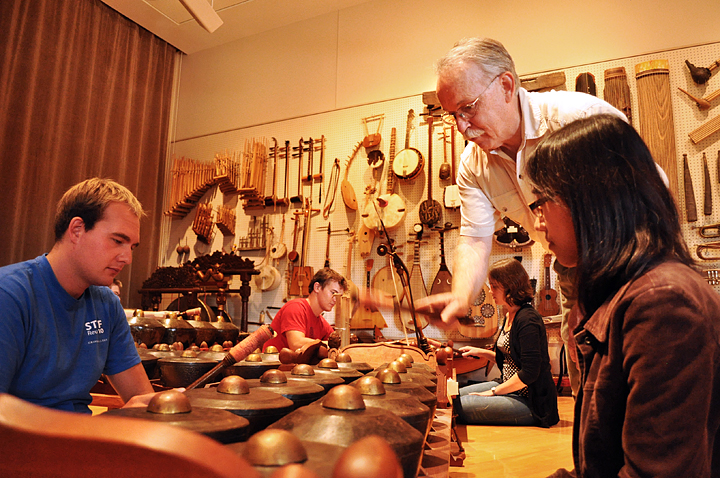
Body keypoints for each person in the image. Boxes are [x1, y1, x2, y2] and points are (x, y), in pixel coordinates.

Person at [418, 37, 631, 398]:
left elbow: (651, 196)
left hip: (627, 260)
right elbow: (473, 239)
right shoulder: (473, 164)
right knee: (588, 382)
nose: (462, 126)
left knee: (639, 370)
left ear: (505, 85)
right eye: (452, 114)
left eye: (468, 108)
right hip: (569, 269)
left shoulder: (577, 118)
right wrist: (460, 297)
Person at [525, 114, 720, 477]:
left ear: (590, 198)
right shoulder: (618, 294)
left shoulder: (663, 303)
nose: (537, 222)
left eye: (542, 201)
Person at [0, 178, 155, 413]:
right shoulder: (9, 295)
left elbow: (140, 398)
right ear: (77, 230)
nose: (127, 258)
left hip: (79, 441)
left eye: (131, 247)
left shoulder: (107, 305)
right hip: (23, 446)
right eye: (117, 241)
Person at [455, 258, 559, 427]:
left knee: (456, 406)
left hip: (530, 401)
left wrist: (493, 392)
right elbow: (510, 359)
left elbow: (530, 372)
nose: (490, 291)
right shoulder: (509, 314)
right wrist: (479, 352)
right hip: (508, 387)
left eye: (494, 286)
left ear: (510, 285)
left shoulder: (528, 320)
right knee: (454, 396)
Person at [263, 268, 347, 352]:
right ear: (317, 287)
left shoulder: (321, 322)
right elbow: (295, 343)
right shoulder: (295, 307)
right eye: (333, 293)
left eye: (339, 296)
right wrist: (327, 345)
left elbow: (337, 344)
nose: (336, 300)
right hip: (273, 364)